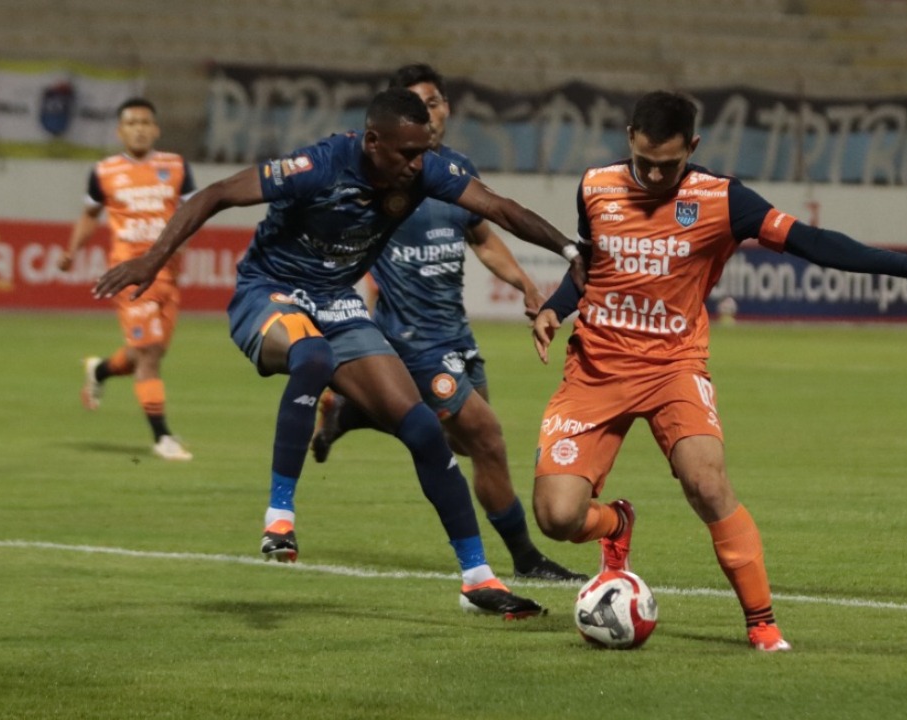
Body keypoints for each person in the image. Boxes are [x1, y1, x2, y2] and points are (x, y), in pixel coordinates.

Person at [93, 87, 587, 618]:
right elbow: (212, 195)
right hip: (268, 292)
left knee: (421, 426)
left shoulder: (424, 171)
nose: (417, 164)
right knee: (312, 357)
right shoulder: (317, 165)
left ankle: (477, 580)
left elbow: (499, 208)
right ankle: (279, 517)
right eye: (406, 153)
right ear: (373, 141)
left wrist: (569, 250)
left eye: (422, 152)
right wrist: (152, 260)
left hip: (333, 300)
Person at [529, 91, 907, 651]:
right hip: (595, 370)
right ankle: (615, 524)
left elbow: (811, 242)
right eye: (645, 163)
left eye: (670, 164)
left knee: (708, 483)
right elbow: (592, 266)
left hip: (673, 368)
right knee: (557, 517)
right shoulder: (595, 186)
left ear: (693, 147)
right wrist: (552, 307)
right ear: (629, 140)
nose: (657, 175)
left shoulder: (722, 199)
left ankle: (761, 623)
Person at [310, 64, 585, 583]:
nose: (429, 114)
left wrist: (526, 283)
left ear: (447, 107)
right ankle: (526, 558)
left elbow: (481, 235)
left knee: (463, 442)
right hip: (410, 339)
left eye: (434, 103)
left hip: (455, 333)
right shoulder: (379, 177)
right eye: (416, 106)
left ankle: (352, 414)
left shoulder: (454, 170)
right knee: (486, 437)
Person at [59, 97, 196, 461]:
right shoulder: (104, 171)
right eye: (131, 123)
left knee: (144, 355)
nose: (138, 128)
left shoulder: (177, 167)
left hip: (167, 274)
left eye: (144, 122)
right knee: (150, 355)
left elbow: (195, 210)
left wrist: (184, 242)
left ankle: (100, 370)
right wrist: (72, 250)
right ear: (120, 131)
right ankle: (162, 437)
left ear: (156, 129)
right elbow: (91, 214)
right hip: (129, 274)